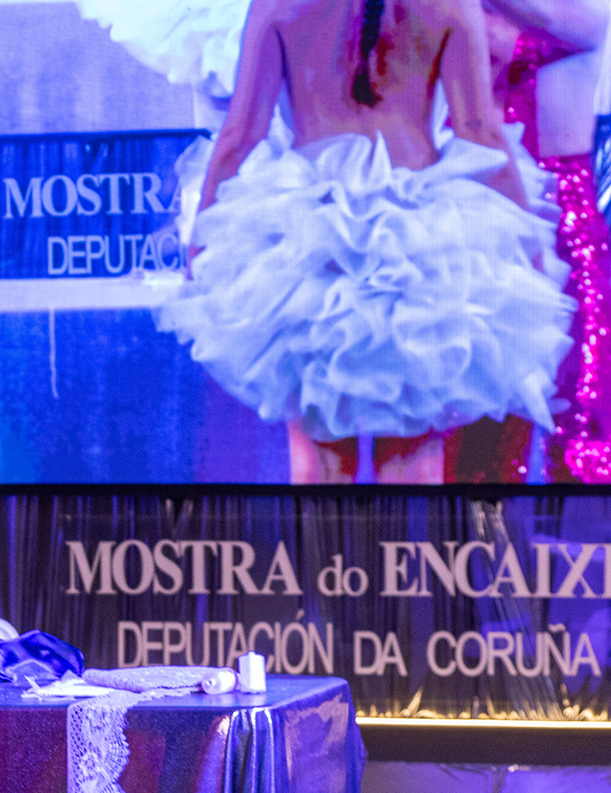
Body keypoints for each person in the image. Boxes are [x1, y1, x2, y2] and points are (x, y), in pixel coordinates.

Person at [158, 0, 575, 482]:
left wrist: (201, 246)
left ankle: (330, 537)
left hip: (309, 238)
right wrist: (527, 246)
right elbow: (479, 130)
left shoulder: (277, 5)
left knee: (319, 464)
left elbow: (239, 136)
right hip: (422, 240)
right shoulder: (449, 4)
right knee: (412, 461)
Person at [480, 0, 611, 482]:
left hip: (568, 192)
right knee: (499, 363)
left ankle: (582, 492)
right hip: (492, 190)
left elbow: (572, 24)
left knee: (580, 367)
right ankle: (484, 503)